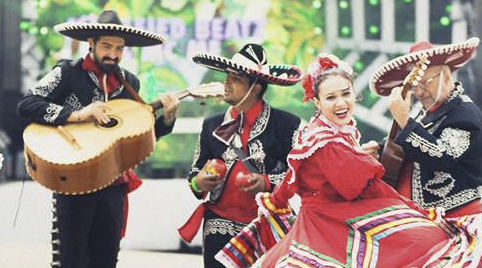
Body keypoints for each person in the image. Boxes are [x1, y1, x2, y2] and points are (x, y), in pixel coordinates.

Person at [215, 54, 482, 268]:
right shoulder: (323, 138)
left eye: (346, 94)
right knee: (430, 245)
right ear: (316, 102)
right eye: (331, 97)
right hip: (332, 221)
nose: (341, 103)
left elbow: (293, 177)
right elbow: (357, 184)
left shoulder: (462, 114)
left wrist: (275, 202)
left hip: (338, 217)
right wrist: (375, 165)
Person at [17, 10, 180, 268]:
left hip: (113, 183)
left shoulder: (129, 84)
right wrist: (77, 115)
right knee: (71, 260)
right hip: (72, 178)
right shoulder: (67, 73)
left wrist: (167, 120)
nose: (113, 54)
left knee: (106, 260)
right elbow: (27, 104)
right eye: (106, 46)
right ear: (90, 43)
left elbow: (133, 139)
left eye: (119, 49)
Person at [177, 43, 303, 268]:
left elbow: (298, 176)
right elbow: (194, 175)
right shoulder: (211, 125)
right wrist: (199, 182)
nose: (226, 82)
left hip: (265, 224)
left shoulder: (286, 125)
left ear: (255, 87)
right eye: (227, 75)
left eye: (235, 78)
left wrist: (265, 182)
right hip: (218, 225)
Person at [370, 37, 482, 217]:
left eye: (424, 83)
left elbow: (443, 156)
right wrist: (378, 150)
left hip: (455, 215)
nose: (419, 92)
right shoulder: (426, 112)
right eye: (415, 86)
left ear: (445, 77)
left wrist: (405, 121)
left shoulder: (466, 114)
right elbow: (406, 145)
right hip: (421, 213)